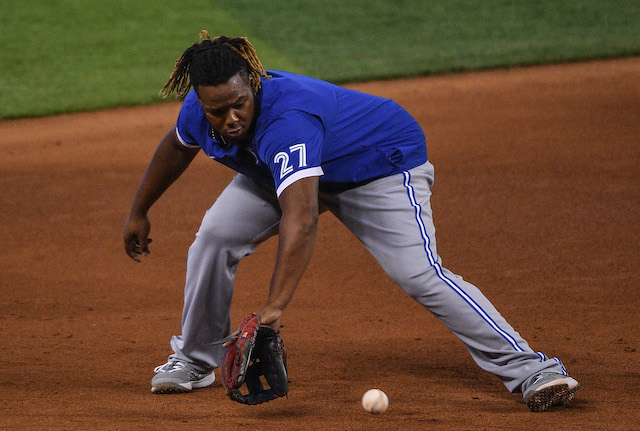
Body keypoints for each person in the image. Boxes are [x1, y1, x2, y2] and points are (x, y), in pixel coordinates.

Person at [123, 31, 579, 412]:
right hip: (281, 172)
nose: (230, 117)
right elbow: (177, 147)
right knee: (213, 239)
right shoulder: (203, 109)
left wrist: (274, 309)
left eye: (238, 104)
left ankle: (531, 369)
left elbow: (300, 219)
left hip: (377, 166)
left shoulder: (289, 119)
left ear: (254, 83)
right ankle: (196, 360)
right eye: (216, 110)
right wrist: (140, 210)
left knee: (419, 273)